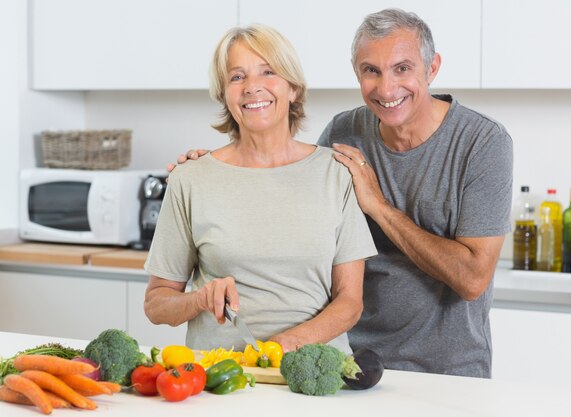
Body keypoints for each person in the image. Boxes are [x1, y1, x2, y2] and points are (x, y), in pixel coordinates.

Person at [172, 8, 513, 378]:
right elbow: (286, 193)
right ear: (357, 73)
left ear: (431, 69)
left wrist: (379, 208)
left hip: (445, 367)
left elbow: (472, 280)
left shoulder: (482, 142)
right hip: (348, 358)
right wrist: (212, 169)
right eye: (371, 70)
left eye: (402, 68)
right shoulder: (345, 132)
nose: (386, 88)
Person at [144, 23, 377, 354]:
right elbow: (156, 304)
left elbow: (350, 301)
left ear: (293, 88)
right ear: (224, 93)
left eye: (268, 72)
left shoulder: (336, 173)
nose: (252, 87)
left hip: (313, 372)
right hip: (221, 378)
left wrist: (286, 345)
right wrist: (199, 300)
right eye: (237, 77)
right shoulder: (191, 178)